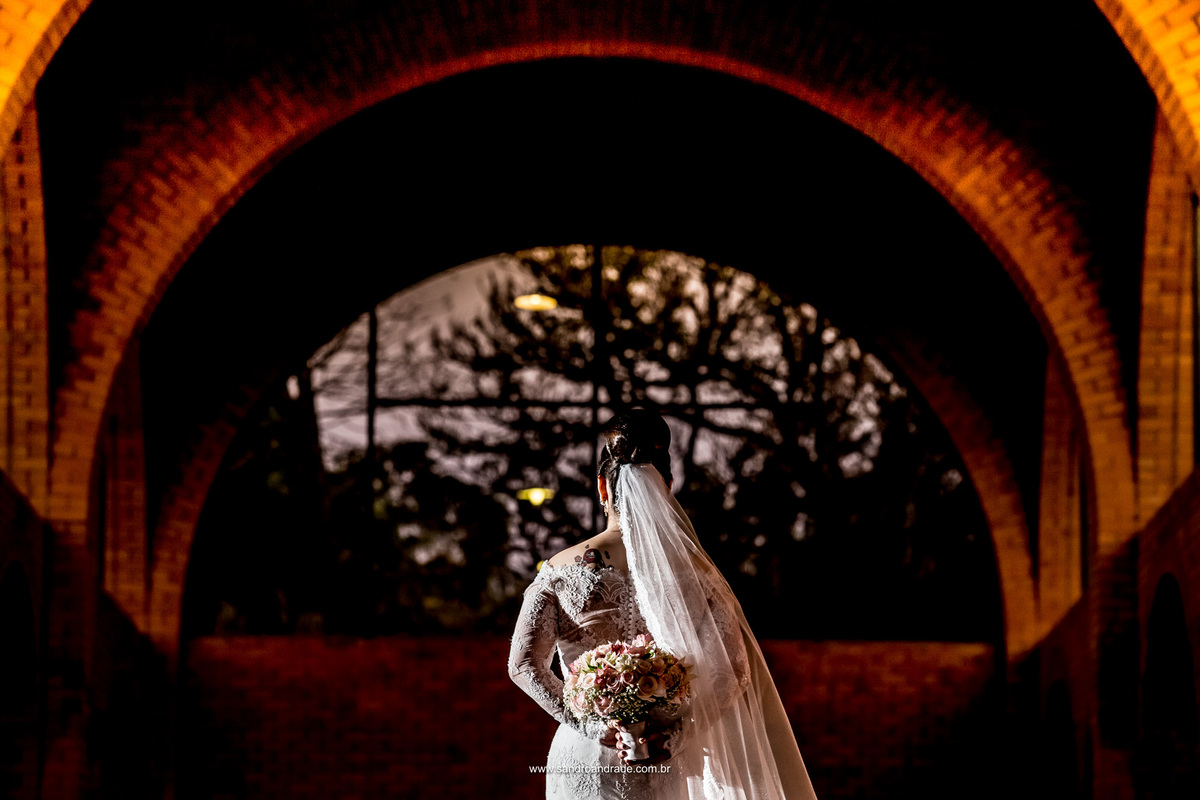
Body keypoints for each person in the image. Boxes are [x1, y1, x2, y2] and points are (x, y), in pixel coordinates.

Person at [508, 409, 819, 799]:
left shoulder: (559, 569)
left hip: (585, 756)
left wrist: (593, 726)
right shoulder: (698, 574)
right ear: (667, 487)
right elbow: (733, 670)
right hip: (664, 754)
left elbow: (524, 666)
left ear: (602, 487)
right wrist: (675, 736)